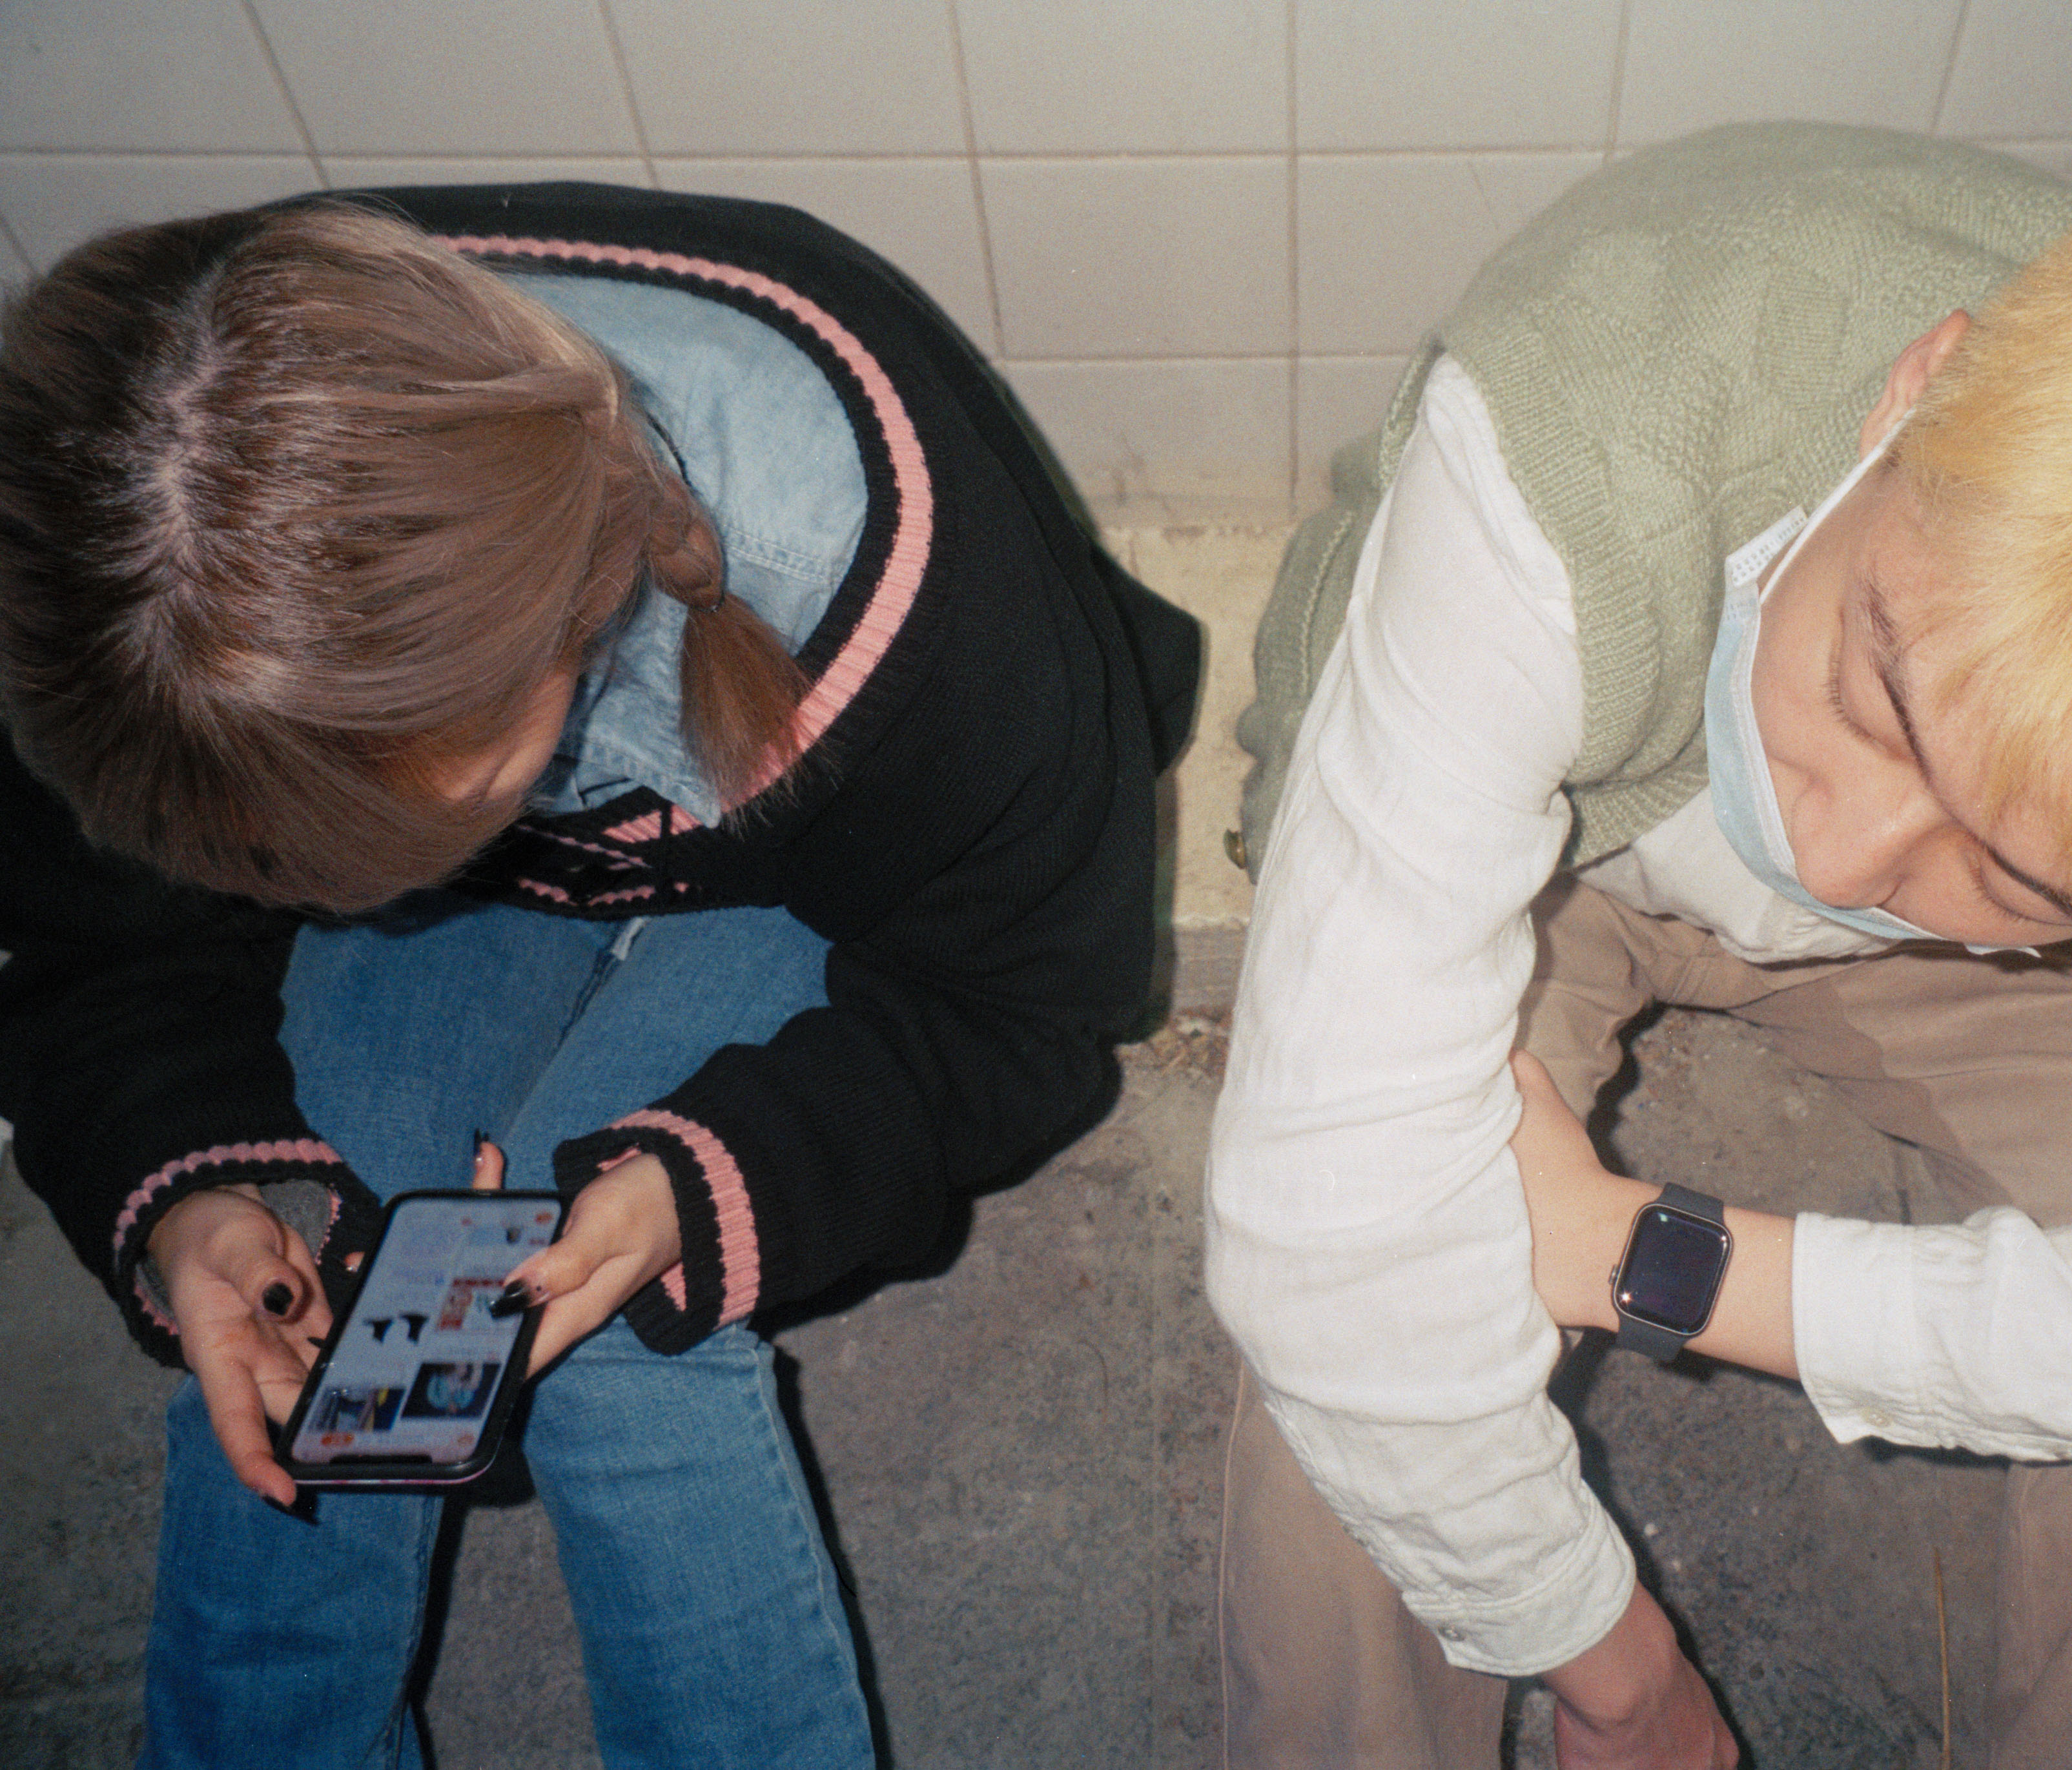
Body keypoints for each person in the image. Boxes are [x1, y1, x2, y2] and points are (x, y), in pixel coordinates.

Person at [1207, 123, 2072, 1769]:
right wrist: (1611, 1662)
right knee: (1373, 1333)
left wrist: (1643, 1253)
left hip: (1963, 982)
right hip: (1562, 857)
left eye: (2018, 871)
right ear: (1914, 391)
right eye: (1875, 687)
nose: (1838, 857)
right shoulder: (1579, 446)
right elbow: (1330, 1252)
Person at [0, 181, 1196, 1767]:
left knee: (620, 1343)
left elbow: (1027, 1010)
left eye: (348, 861)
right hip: (510, 760)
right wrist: (190, 1193)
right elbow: (91, 948)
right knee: (318, 1316)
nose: (320, 913)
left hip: (838, 854)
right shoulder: (123, 546)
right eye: (269, 872)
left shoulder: (925, 618)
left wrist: (706, 1187)